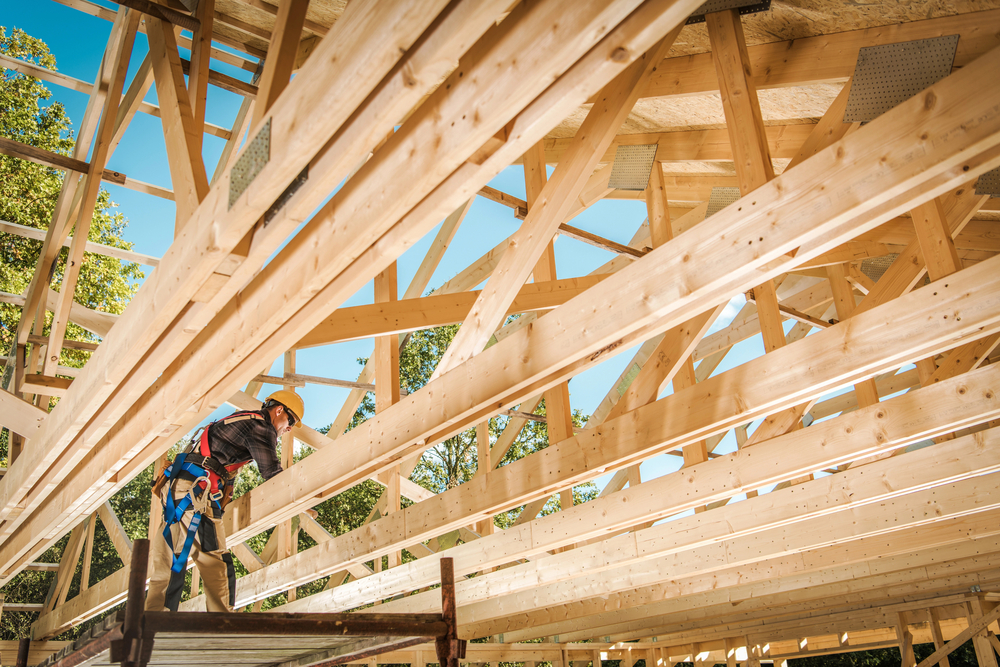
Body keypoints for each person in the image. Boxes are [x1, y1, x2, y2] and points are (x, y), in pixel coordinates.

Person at [145, 390, 304, 612]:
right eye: (291, 420)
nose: (289, 428)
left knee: (169, 562)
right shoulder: (261, 427)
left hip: (177, 490)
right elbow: (272, 473)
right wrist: (302, 502)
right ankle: (220, 621)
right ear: (279, 410)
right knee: (216, 561)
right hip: (196, 492)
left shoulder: (242, 420)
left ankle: (153, 619)